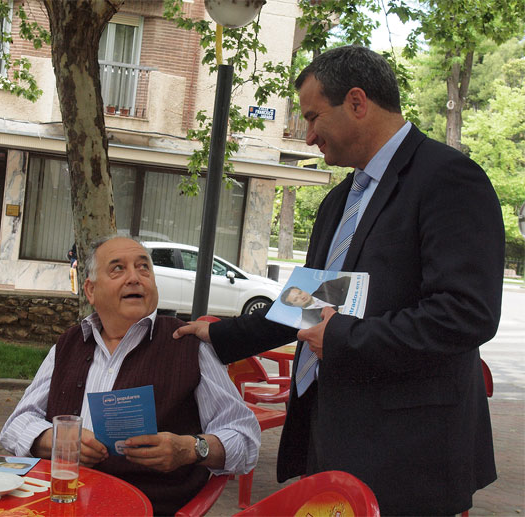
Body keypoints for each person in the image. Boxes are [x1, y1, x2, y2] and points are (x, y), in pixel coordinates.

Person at [174, 45, 503, 516]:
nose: (308, 138)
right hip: (330, 435)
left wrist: (345, 338)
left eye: (312, 118)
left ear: (356, 102)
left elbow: (466, 313)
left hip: (410, 454)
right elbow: (309, 303)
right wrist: (220, 335)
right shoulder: (338, 201)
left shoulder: (449, 178)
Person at [0, 236, 260, 515]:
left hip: (147, 507)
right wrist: (52, 440)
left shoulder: (186, 344)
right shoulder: (70, 343)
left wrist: (190, 448)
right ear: (91, 290)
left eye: (143, 268)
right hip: (59, 503)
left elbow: (245, 439)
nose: (135, 278)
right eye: (118, 269)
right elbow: (16, 424)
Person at [280, 276, 351, 327]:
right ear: (293, 305)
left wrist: (346, 302)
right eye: (296, 299)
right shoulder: (308, 321)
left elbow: (347, 280)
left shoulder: (325, 287)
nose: (302, 297)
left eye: (300, 293)